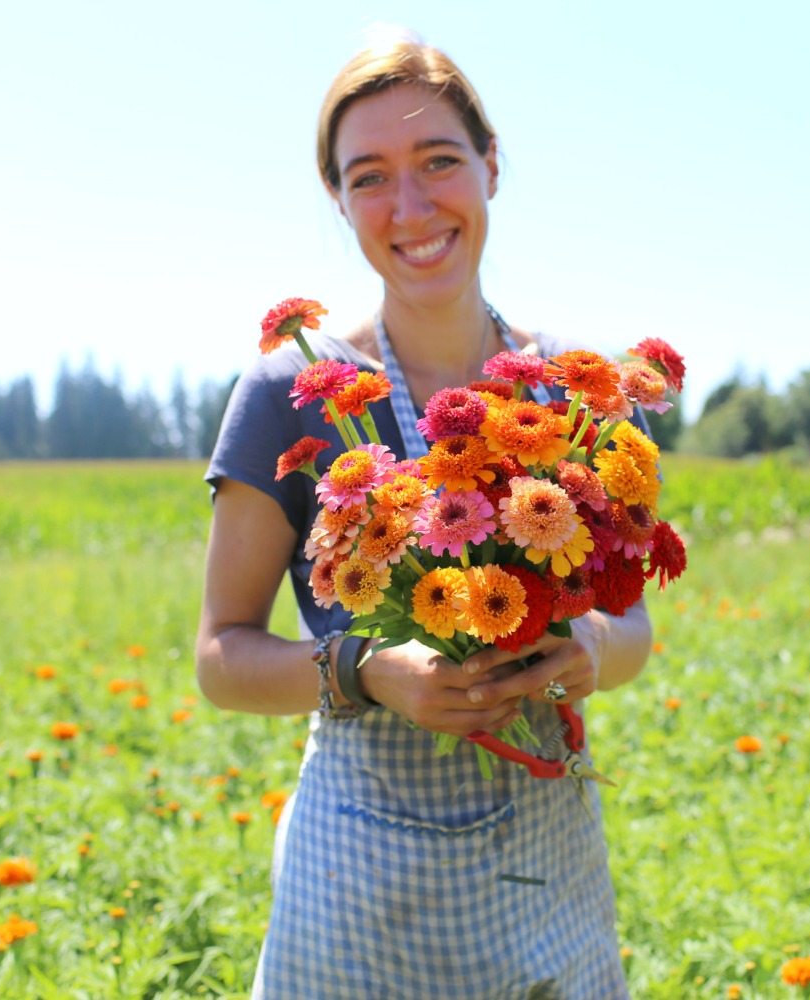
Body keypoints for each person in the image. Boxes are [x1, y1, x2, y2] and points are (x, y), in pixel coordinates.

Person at [197, 35, 652, 1000]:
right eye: (370, 178)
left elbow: (637, 621)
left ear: (491, 165)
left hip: (548, 871)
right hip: (361, 891)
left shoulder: (576, 394)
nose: (410, 208)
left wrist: (591, 654)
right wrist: (367, 673)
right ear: (339, 202)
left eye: (439, 161)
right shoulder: (291, 391)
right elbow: (220, 656)